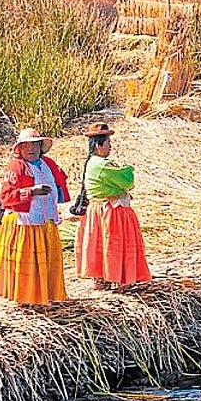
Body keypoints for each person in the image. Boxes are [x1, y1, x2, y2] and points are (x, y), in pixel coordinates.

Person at [0, 127, 70, 305]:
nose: (31, 149)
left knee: (46, 261)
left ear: (41, 146)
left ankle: (45, 295)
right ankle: (26, 298)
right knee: (27, 262)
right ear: (19, 148)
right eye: (26, 145)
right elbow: (5, 197)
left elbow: (60, 184)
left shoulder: (48, 164)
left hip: (46, 221)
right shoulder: (17, 167)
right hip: (25, 223)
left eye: (35, 144)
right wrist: (32, 192)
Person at [75, 122, 152, 290]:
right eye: (108, 143)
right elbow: (127, 180)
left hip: (97, 209)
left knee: (101, 244)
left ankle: (102, 279)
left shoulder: (92, 163)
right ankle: (119, 278)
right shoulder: (102, 165)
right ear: (98, 145)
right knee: (113, 244)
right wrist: (127, 172)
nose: (110, 147)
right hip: (109, 211)